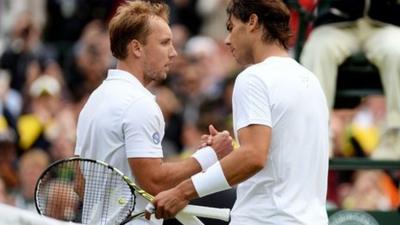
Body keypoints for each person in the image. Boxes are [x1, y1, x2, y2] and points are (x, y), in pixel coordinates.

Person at [148, 1, 330, 224]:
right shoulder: (311, 80)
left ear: (252, 22)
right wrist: (230, 151)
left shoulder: (253, 77)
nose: (227, 40)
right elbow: (277, 150)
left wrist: (181, 192)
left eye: (231, 27)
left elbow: (253, 156)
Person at [74, 1, 233, 225]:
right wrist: (209, 156)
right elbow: (154, 181)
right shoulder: (139, 103)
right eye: (165, 43)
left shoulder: (94, 100)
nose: (174, 53)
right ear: (137, 48)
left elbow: (81, 184)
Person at [299, 0, 400, 159]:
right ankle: (316, 138)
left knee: (397, 50)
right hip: (337, 23)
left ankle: (395, 139)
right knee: (318, 50)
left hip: (387, 24)